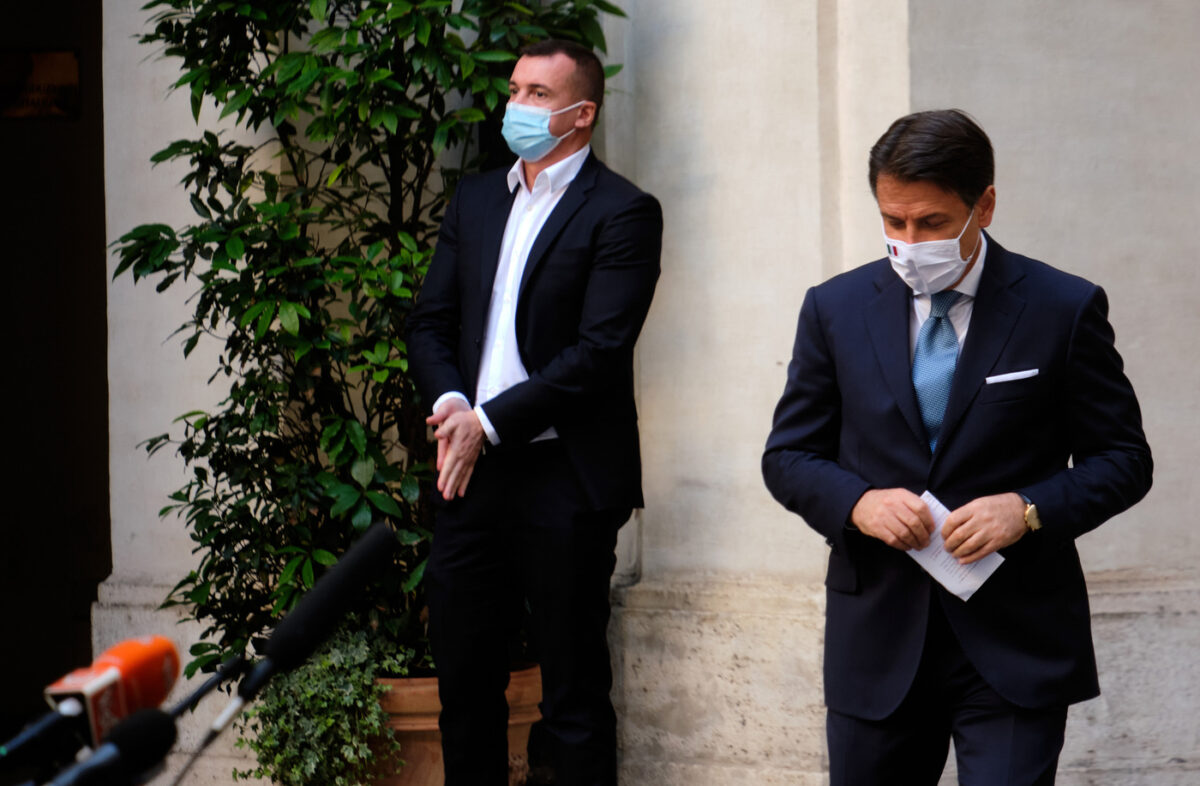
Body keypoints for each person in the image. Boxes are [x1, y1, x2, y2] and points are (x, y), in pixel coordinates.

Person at [762, 109, 1152, 785]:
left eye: (932, 223)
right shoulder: (834, 308)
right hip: (877, 637)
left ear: (985, 206)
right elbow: (788, 457)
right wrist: (857, 503)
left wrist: (1027, 509)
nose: (909, 242)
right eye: (893, 222)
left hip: (1016, 639)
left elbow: (1124, 460)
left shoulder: (1063, 307)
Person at [406, 39, 662, 786]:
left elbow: (598, 352)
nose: (516, 105)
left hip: (564, 477)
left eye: (538, 95)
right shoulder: (476, 199)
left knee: (573, 695)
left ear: (581, 114)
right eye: (515, 89)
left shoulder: (623, 212)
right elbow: (430, 322)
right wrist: (454, 405)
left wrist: (486, 423)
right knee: (464, 686)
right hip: (469, 476)